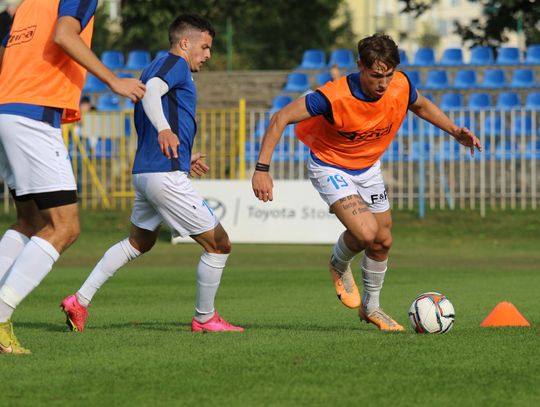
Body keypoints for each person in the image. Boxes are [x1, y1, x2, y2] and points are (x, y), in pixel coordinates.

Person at [252, 34, 481, 331]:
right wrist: (261, 169)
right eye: (376, 76)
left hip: (369, 168)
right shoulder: (332, 96)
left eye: (388, 75)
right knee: (365, 233)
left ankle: (371, 307)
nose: (383, 83)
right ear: (360, 66)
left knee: (383, 240)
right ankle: (338, 263)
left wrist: (454, 130)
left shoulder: (401, 84)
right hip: (330, 165)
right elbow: (281, 117)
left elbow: (421, 105)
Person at [60, 14, 244, 334]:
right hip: (163, 175)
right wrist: (164, 129)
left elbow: (155, 99)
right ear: (185, 43)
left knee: (138, 242)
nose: (208, 55)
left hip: (148, 171)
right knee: (219, 244)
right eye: (205, 47)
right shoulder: (175, 64)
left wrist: (184, 157)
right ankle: (205, 318)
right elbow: (152, 92)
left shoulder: (158, 65)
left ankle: (80, 300)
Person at [0, 0, 145, 355]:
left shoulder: (29, 4)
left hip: (8, 110)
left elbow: (5, 51)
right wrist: (113, 80)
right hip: (33, 114)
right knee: (65, 227)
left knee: (30, 221)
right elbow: (65, 35)